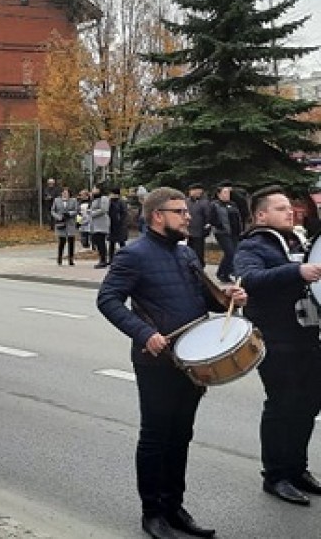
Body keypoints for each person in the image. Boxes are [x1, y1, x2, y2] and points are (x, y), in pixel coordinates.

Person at [97, 187, 246, 539]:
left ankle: (174, 506)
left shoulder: (185, 255)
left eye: (186, 210)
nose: (188, 216)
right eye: (180, 211)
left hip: (191, 361)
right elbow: (107, 299)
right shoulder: (134, 255)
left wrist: (230, 299)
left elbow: (203, 300)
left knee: (181, 436)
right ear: (157, 216)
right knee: (156, 437)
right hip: (157, 361)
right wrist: (142, 333)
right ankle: (153, 514)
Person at [233, 186, 321, 506]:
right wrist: (297, 271)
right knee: (283, 405)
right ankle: (276, 475)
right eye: (282, 208)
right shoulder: (253, 245)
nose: (291, 211)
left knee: (309, 404)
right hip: (276, 338)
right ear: (261, 215)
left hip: (308, 336)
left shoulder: (298, 240)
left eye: (290, 207)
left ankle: (297, 469)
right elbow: (249, 279)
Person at [212, 182, 243, 283]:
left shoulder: (233, 204)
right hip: (222, 233)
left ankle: (225, 273)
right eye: (225, 193)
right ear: (219, 194)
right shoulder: (215, 205)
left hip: (234, 233)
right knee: (230, 253)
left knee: (233, 253)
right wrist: (219, 224)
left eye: (228, 193)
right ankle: (222, 273)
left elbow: (238, 217)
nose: (227, 195)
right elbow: (211, 218)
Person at [185, 183, 213, 267]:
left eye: (195, 190)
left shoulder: (204, 202)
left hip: (199, 231)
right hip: (188, 231)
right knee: (188, 251)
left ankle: (200, 267)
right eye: (192, 190)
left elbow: (208, 216)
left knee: (199, 252)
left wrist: (207, 227)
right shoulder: (186, 202)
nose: (193, 192)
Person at [51, 186, 79, 266]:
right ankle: (59, 258)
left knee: (71, 242)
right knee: (61, 242)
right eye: (63, 193)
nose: (65, 195)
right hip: (61, 223)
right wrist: (58, 217)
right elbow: (53, 211)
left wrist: (70, 213)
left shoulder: (73, 200)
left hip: (70, 223)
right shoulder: (57, 200)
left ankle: (71, 259)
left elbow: (77, 210)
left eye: (66, 193)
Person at [89, 185, 110, 268]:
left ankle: (103, 260)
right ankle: (102, 258)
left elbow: (104, 209)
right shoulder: (95, 199)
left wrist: (92, 213)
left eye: (94, 188)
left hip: (101, 224)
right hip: (95, 224)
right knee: (97, 241)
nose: (93, 190)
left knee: (100, 241)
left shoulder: (104, 198)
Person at [108, 186, 129, 263]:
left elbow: (124, 213)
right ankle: (111, 259)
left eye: (111, 193)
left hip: (120, 226)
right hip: (112, 225)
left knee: (121, 243)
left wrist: (121, 222)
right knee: (111, 243)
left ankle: (125, 259)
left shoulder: (121, 202)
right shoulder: (110, 201)